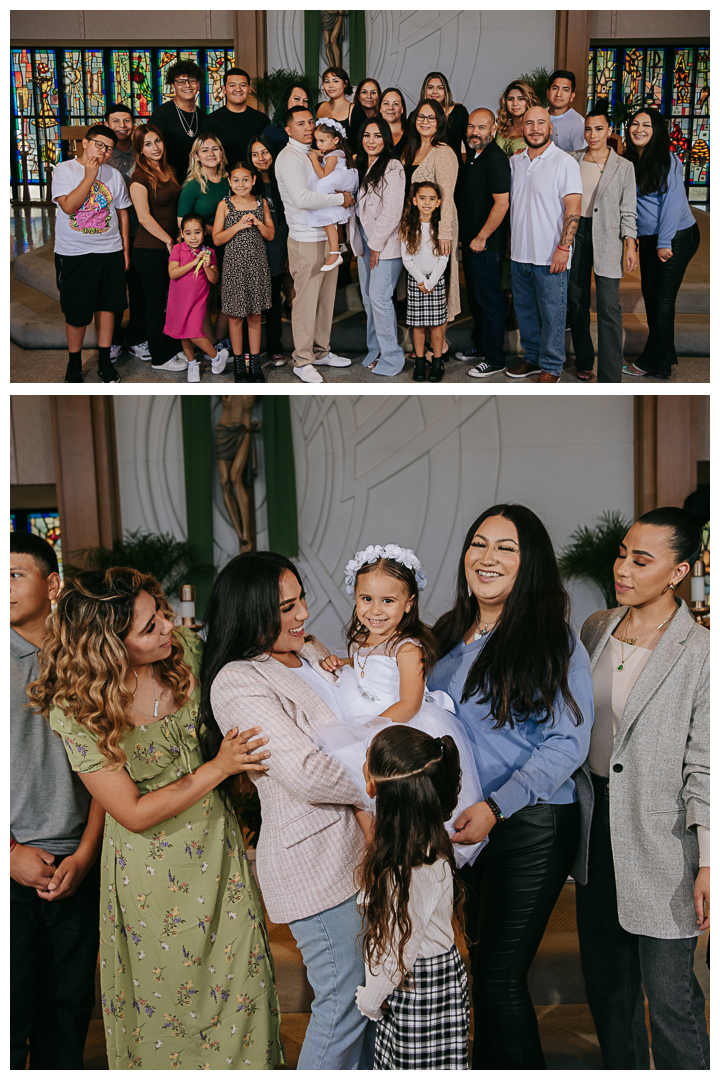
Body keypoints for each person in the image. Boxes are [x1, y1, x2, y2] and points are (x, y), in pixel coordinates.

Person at [28, 567, 284, 1070]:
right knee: (168, 1009)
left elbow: (265, 665)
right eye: (149, 627)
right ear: (108, 647)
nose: (168, 627)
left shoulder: (183, 654)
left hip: (219, 856)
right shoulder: (77, 709)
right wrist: (219, 767)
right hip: (151, 880)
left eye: (162, 613)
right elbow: (133, 811)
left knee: (242, 992)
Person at [428, 503, 594, 1069]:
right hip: (468, 831)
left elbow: (567, 744)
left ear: (530, 564)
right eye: (479, 543)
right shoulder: (450, 632)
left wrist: (498, 805)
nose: (488, 557)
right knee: (485, 975)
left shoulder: (553, 638)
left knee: (500, 978)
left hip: (530, 823)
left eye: (506, 547)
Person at [199, 551, 373, 1070]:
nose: (300, 617)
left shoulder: (314, 649)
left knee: (369, 996)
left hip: (363, 846)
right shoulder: (236, 680)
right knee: (343, 1000)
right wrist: (386, 791)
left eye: (301, 601)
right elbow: (303, 770)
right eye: (284, 608)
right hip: (312, 860)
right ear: (249, 614)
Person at [572, 507, 709, 1070]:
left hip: (665, 838)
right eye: (623, 553)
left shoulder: (702, 653)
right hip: (593, 824)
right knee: (609, 989)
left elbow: (705, 763)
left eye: (642, 559)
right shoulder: (596, 627)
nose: (623, 567)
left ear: (678, 572)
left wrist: (710, 861)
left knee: (672, 995)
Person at [313, 543, 484, 864]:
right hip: (366, 717)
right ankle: (377, 852)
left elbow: (409, 700)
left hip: (400, 726)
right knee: (360, 792)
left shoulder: (407, 647)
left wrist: (370, 731)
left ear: (408, 603)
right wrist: (344, 662)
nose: (375, 610)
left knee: (398, 795)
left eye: (388, 601)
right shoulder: (361, 640)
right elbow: (367, 665)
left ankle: (405, 858)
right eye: (366, 599)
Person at [10, 532, 104, 1070]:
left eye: (16, 574)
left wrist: (86, 853)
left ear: (52, 585)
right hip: (13, 864)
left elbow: (107, 766)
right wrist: (10, 853)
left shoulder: (85, 661)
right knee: (11, 1010)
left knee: (68, 1012)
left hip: (75, 862)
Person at [355, 725, 470, 1070]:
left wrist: (370, 1002)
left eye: (367, 760)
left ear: (382, 788)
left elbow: (396, 954)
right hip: (435, 980)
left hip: (416, 988)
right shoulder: (425, 848)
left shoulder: (408, 871)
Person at [274, 105, 354, 382]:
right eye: (301, 123)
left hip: (326, 236)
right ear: (288, 129)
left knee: (325, 299)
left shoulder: (316, 153)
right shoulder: (289, 158)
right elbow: (302, 199)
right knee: (306, 302)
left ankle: (321, 351)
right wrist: (341, 200)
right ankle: (302, 360)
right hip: (306, 237)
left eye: (310, 121)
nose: (308, 127)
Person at [505, 107, 582, 383]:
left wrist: (564, 247)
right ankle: (532, 357)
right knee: (525, 311)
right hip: (520, 254)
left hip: (551, 255)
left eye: (541, 123)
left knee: (552, 314)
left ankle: (551, 366)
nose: (535, 128)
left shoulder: (564, 162)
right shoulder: (516, 162)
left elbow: (574, 208)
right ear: (522, 129)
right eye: (529, 123)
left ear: (551, 129)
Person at [622, 109, 700, 380]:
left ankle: (651, 361)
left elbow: (673, 204)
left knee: (664, 299)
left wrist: (665, 242)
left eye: (646, 125)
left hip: (677, 235)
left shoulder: (667, 159)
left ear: (656, 130)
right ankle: (665, 354)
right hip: (649, 238)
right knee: (652, 296)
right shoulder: (629, 160)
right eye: (634, 124)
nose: (639, 129)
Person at [51, 123, 130, 384]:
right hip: (74, 253)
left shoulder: (114, 175)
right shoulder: (65, 170)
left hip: (109, 250)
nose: (104, 152)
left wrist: (125, 249)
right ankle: (74, 363)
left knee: (108, 307)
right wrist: (89, 176)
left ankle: (104, 361)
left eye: (109, 149)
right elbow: (69, 207)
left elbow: (122, 211)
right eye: (100, 144)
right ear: (85, 142)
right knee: (77, 311)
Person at [567, 101, 638, 383]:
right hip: (577, 233)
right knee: (577, 301)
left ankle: (610, 374)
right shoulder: (572, 159)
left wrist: (630, 244)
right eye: (588, 129)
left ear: (610, 130)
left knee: (609, 306)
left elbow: (628, 208)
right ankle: (584, 360)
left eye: (598, 129)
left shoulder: (624, 166)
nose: (593, 135)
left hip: (607, 235)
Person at [347, 116, 406, 377]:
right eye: (367, 135)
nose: (371, 141)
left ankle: (392, 358)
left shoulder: (393, 166)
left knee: (381, 300)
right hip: (366, 243)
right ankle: (376, 349)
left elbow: (393, 211)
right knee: (370, 300)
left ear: (387, 138)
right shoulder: (360, 165)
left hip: (385, 245)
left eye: (377, 135)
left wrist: (377, 245)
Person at [402, 98, 461, 359]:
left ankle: (440, 346)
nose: (425, 122)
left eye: (431, 118)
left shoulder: (444, 151)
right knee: (419, 284)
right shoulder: (410, 149)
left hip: (438, 227)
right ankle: (424, 345)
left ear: (439, 123)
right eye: (421, 117)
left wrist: (445, 232)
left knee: (440, 284)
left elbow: (446, 196)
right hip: (415, 225)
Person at [129, 125, 188, 375]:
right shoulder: (139, 177)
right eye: (148, 144)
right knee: (154, 304)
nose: (155, 147)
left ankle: (171, 346)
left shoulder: (170, 169)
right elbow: (143, 217)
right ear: (140, 150)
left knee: (170, 302)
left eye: (158, 141)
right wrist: (168, 240)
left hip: (171, 244)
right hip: (150, 248)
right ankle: (159, 356)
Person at [457, 108, 511, 377]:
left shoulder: (496, 159)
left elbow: (502, 204)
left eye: (481, 127)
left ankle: (495, 357)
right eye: (470, 127)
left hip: (486, 244)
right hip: (471, 242)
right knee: (477, 299)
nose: (474, 132)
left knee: (490, 300)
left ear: (493, 130)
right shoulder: (474, 157)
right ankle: (480, 346)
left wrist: (481, 237)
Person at [212, 160, 274, 384]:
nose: (241, 184)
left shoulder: (261, 203)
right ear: (229, 181)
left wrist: (257, 222)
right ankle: (239, 363)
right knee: (235, 316)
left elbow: (270, 235)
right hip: (233, 267)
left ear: (253, 180)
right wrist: (237, 225)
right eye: (236, 180)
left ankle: (255, 363)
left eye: (246, 179)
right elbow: (217, 238)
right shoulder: (225, 204)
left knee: (255, 315)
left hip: (257, 266)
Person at [177, 133, 232, 348]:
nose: (211, 154)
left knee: (229, 297)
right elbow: (183, 223)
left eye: (215, 148)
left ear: (221, 152)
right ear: (197, 156)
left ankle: (218, 340)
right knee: (204, 300)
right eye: (205, 150)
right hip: (204, 249)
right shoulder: (192, 186)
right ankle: (212, 345)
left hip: (231, 246)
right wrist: (214, 231)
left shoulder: (230, 180)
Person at [105, 103, 150, 364]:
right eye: (116, 121)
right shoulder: (103, 156)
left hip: (138, 231)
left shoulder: (140, 152)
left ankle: (136, 337)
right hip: (108, 234)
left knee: (139, 288)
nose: (122, 125)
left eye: (127, 121)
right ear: (107, 124)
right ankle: (112, 339)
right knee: (113, 289)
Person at [165, 213, 228, 382]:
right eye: (188, 233)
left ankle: (216, 357)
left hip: (198, 301)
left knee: (193, 330)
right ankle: (192, 363)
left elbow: (214, 279)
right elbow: (172, 273)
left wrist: (207, 266)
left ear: (204, 232)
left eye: (197, 232)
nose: (193, 237)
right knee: (183, 333)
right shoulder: (178, 249)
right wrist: (193, 262)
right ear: (182, 233)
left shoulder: (209, 252)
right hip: (179, 300)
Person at [399, 182, 449, 382]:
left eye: (431, 199)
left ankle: (437, 362)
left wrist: (431, 281)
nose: (426, 202)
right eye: (422, 198)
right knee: (418, 326)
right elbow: (407, 257)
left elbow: (443, 257)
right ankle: (419, 362)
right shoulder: (408, 226)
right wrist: (421, 280)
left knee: (436, 326)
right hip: (416, 281)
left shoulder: (441, 228)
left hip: (435, 281)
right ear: (414, 201)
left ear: (438, 203)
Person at [250, 135, 289, 367]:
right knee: (255, 304)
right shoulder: (248, 183)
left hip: (279, 247)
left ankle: (274, 347)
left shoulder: (282, 179)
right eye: (255, 154)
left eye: (264, 152)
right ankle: (250, 350)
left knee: (274, 302)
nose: (261, 158)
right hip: (256, 250)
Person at [307, 119, 359, 271]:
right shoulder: (334, 152)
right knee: (331, 214)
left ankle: (335, 251)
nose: (319, 144)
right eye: (317, 140)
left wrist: (314, 160)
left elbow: (324, 174)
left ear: (336, 140)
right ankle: (339, 246)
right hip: (339, 182)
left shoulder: (333, 155)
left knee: (326, 215)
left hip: (334, 181)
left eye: (322, 140)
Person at [149, 59, 208, 183]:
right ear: (173, 86)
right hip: (168, 181)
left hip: (199, 182)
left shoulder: (204, 117)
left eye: (192, 80)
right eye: (181, 81)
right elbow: (149, 150)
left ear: (198, 85)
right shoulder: (161, 114)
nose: (187, 85)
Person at [207, 68, 267, 171]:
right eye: (232, 85)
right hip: (223, 180)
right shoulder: (211, 121)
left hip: (255, 180)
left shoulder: (262, 120)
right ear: (224, 89)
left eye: (243, 85)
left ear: (249, 88)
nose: (238, 89)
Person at [420, 71, 469, 165]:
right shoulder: (416, 115)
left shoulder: (459, 111)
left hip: (456, 170)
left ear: (445, 91)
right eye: (430, 87)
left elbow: (470, 145)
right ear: (424, 90)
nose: (434, 92)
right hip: (425, 172)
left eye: (440, 88)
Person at [262, 82, 314, 154]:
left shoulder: (313, 130)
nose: (301, 104)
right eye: (297, 99)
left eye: (305, 101)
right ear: (286, 101)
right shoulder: (272, 130)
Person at [496, 80, 540, 157]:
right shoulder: (502, 127)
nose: (515, 103)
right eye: (510, 99)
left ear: (529, 101)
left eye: (520, 99)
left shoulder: (536, 128)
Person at [547, 69, 586, 152]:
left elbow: (579, 158)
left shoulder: (579, 124)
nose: (558, 94)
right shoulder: (539, 115)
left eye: (565, 90)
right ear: (548, 92)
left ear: (572, 96)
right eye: (555, 88)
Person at [349, 78, 381, 150]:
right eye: (364, 92)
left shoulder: (384, 118)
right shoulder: (350, 118)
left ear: (379, 96)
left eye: (373, 92)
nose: (369, 96)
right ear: (358, 96)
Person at [378, 87, 409, 153]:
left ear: (402, 109)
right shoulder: (370, 133)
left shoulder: (412, 135)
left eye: (395, 104)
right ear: (380, 108)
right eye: (386, 103)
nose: (390, 108)